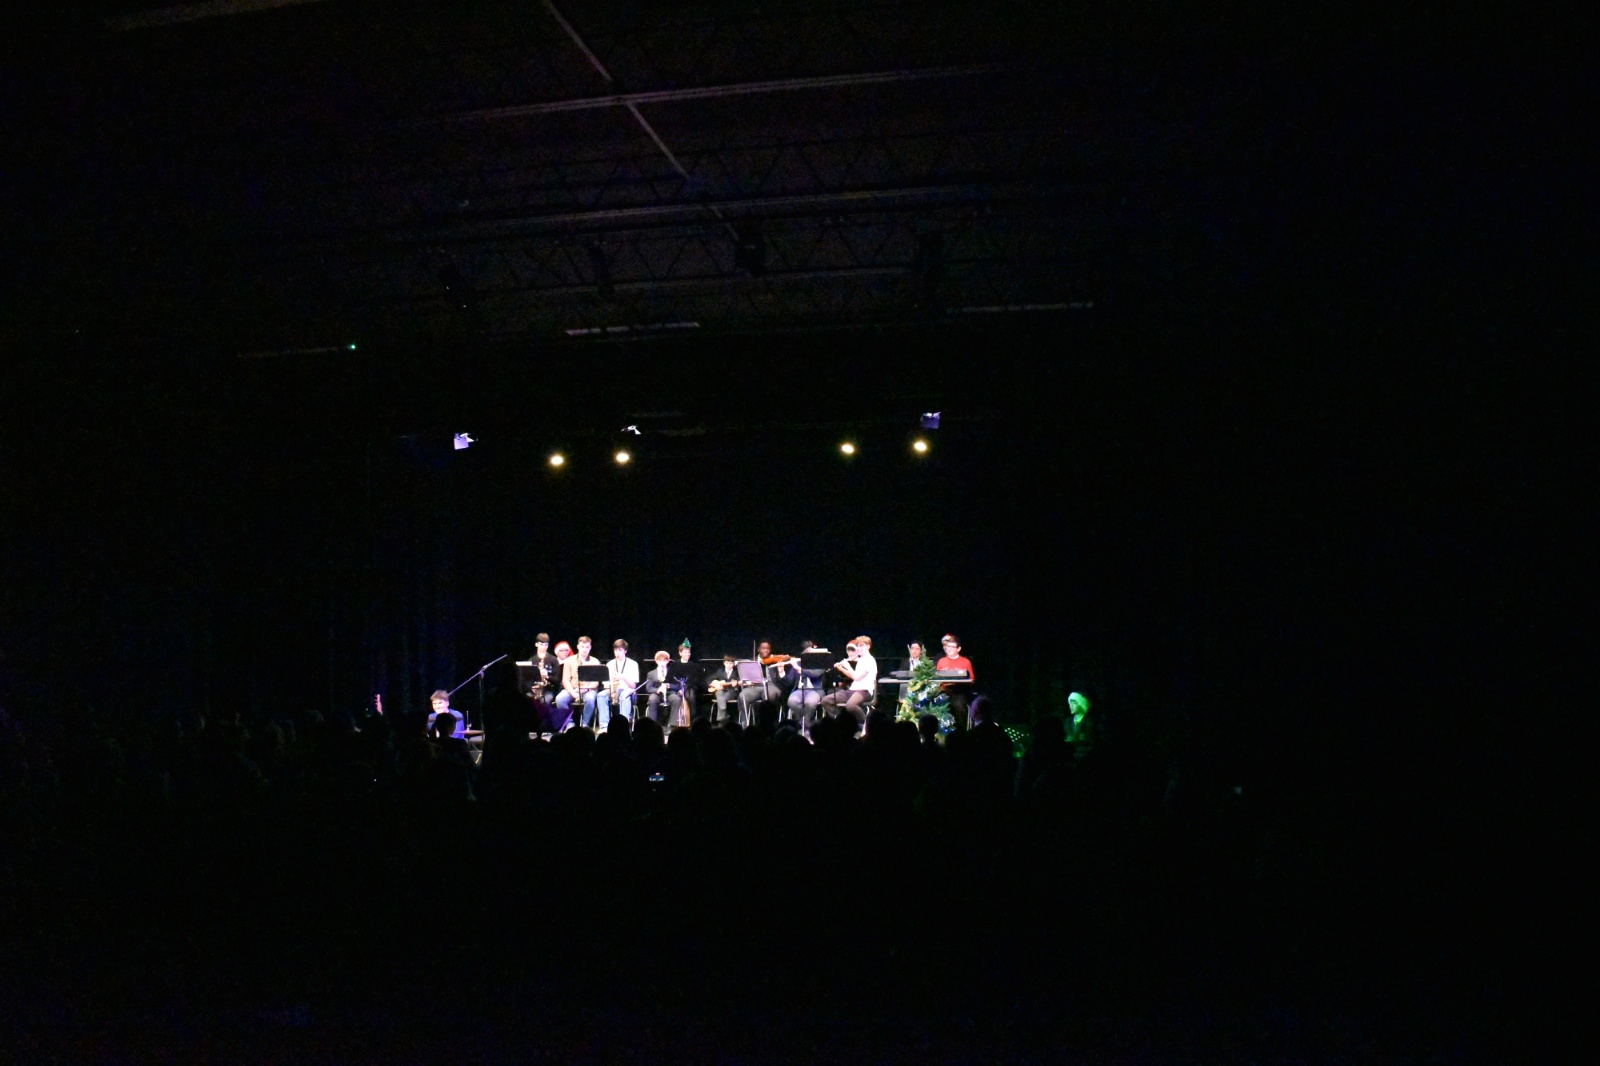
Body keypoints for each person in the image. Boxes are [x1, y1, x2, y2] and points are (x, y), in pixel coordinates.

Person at [819, 635, 878, 726]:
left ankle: (866, 725)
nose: (859, 648)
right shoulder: (861, 659)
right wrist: (841, 668)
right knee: (825, 701)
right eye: (858, 646)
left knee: (850, 706)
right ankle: (841, 723)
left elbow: (857, 677)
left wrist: (847, 666)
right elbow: (853, 676)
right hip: (852, 690)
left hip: (864, 691)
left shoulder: (870, 660)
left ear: (868, 646)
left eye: (861, 646)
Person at [782, 640, 829, 727]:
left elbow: (815, 674)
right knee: (792, 701)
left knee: (810, 702)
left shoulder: (819, 663)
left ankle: (804, 723)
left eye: (810, 651)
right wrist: (781, 672)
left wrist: (799, 669)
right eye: (806, 652)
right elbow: (789, 681)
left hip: (815, 690)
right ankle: (805, 723)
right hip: (799, 690)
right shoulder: (798, 662)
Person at [561, 636, 603, 729]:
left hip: (588, 690)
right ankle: (569, 723)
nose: (584, 649)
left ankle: (585, 723)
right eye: (582, 647)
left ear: (590, 647)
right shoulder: (569, 660)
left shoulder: (595, 661)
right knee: (560, 699)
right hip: (573, 689)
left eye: (587, 647)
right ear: (578, 647)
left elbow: (596, 683)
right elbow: (565, 680)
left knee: (590, 699)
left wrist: (584, 690)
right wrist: (572, 691)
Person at [937, 633, 976, 728]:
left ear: (958, 649)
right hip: (944, 691)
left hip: (959, 691)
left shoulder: (965, 662)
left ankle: (960, 731)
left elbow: (972, 680)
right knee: (937, 703)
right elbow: (936, 679)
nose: (949, 649)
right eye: (948, 646)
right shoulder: (941, 661)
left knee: (958, 705)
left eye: (952, 647)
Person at [599, 639, 639, 728]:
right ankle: (604, 726)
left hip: (627, 690)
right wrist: (611, 689)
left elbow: (633, 686)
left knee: (624, 695)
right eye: (616, 650)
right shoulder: (609, 664)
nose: (617, 653)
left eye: (620, 650)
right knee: (601, 695)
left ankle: (624, 725)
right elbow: (605, 684)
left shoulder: (633, 664)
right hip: (613, 690)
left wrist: (623, 677)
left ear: (625, 651)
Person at [642, 650, 679, 727]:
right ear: (656, 661)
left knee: (676, 699)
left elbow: (677, 686)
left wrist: (670, 685)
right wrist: (657, 690)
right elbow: (648, 688)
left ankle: (672, 725)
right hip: (657, 694)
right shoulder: (651, 673)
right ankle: (652, 725)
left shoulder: (672, 672)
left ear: (668, 661)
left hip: (669, 693)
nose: (662, 663)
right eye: (660, 661)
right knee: (652, 699)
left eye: (664, 661)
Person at [708, 652, 743, 724]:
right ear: (724, 663)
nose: (729, 665)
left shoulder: (737, 672)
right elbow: (709, 679)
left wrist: (736, 684)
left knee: (724, 697)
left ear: (734, 664)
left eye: (731, 663)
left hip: (731, 691)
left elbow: (740, 682)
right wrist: (715, 684)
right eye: (727, 663)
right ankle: (724, 715)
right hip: (721, 690)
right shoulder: (720, 671)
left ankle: (721, 718)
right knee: (719, 693)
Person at [675, 640, 704, 725]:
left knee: (690, 697)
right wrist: (679, 688)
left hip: (689, 687)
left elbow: (694, 680)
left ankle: (691, 720)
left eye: (689, 652)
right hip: (677, 688)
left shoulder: (693, 665)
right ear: (680, 653)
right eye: (685, 652)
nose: (687, 654)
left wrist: (683, 689)